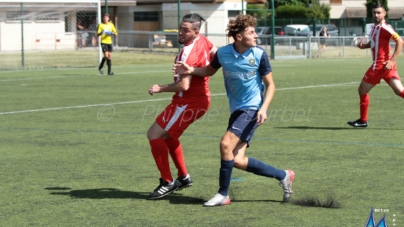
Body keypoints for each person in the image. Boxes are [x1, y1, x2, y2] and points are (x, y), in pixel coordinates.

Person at [173, 14, 295, 207]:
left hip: (253, 108)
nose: (256, 35)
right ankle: (284, 175)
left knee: (225, 145)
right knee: (236, 159)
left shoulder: (259, 54)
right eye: (251, 32)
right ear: (239, 37)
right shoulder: (223, 53)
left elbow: (270, 85)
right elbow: (208, 71)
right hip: (237, 109)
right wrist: (190, 69)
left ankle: (223, 194)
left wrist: (263, 108)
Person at [146, 13, 217, 200]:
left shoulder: (188, 53)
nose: (180, 32)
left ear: (195, 32)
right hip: (195, 100)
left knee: (154, 134)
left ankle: (167, 181)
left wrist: (160, 88)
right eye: (180, 28)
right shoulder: (202, 39)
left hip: (189, 102)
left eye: (186, 30)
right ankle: (183, 177)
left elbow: (184, 86)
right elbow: (215, 53)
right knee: (168, 136)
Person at [347, 4, 404, 128]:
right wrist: (364, 46)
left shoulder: (385, 28)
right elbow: (374, 43)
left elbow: (400, 42)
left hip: (380, 65)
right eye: (374, 13)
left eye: (379, 13)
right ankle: (363, 121)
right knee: (400, 91)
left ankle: (363, 121)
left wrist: (392, 60)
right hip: (385, 66)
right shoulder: (373, 28)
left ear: (384, 14)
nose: (376, 15)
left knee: (362, 90)